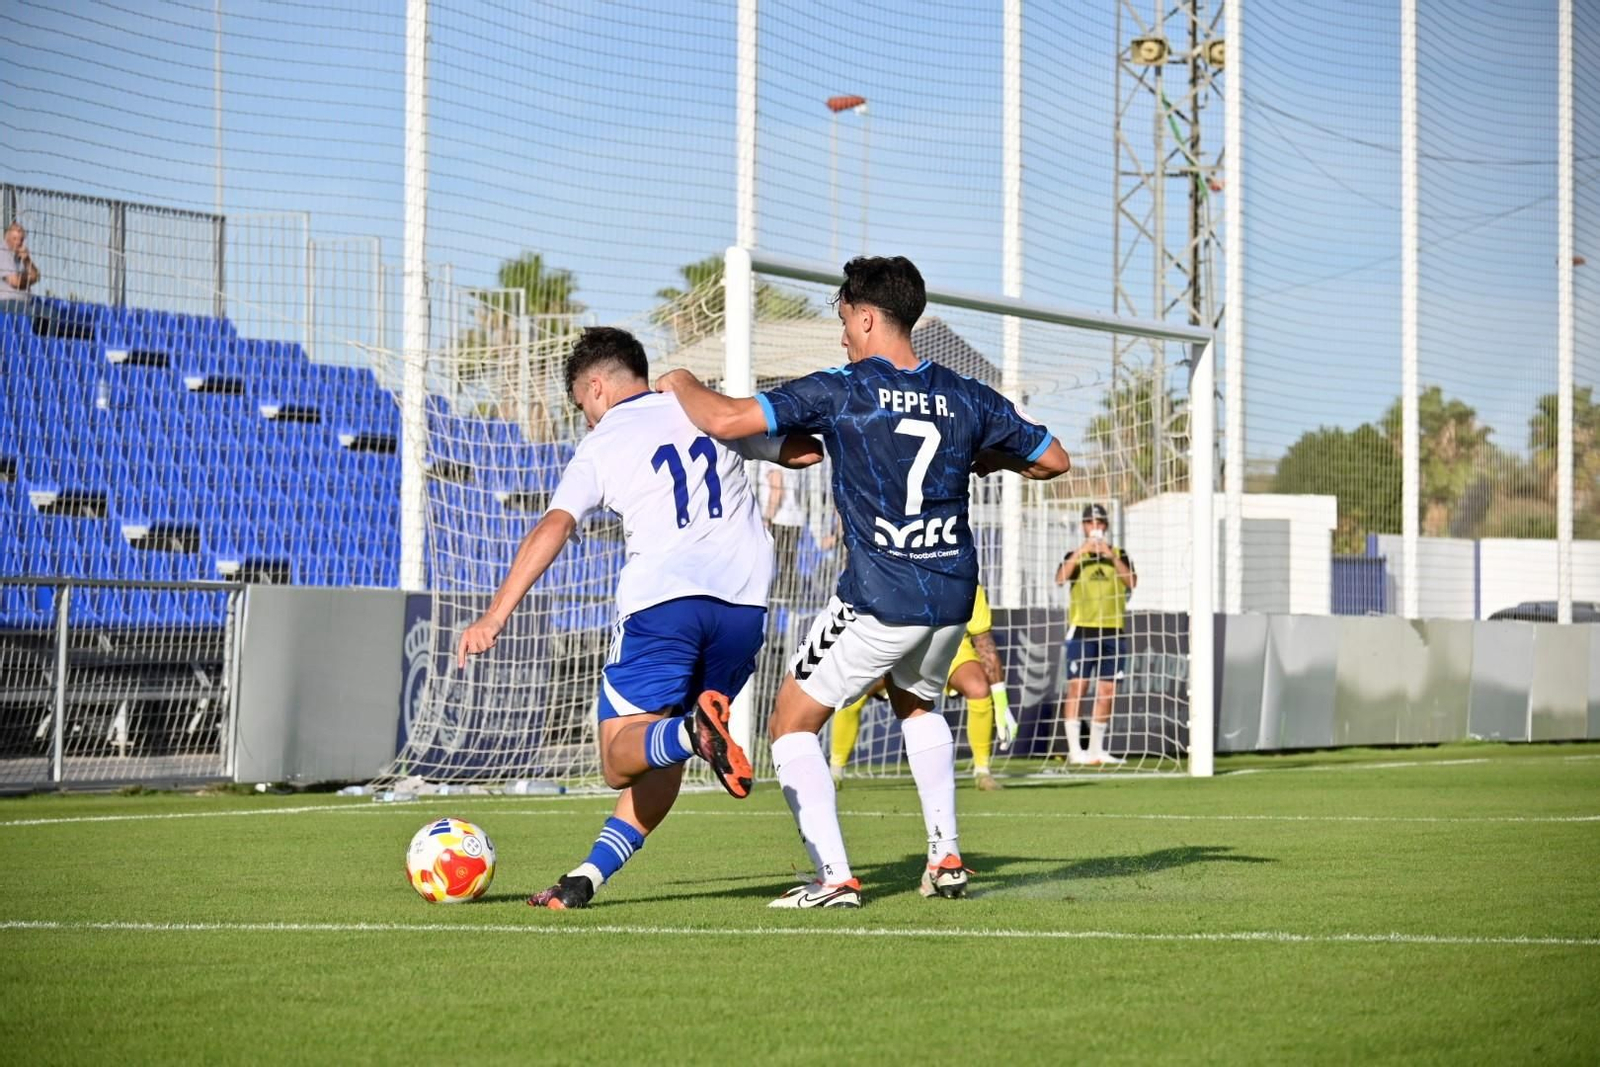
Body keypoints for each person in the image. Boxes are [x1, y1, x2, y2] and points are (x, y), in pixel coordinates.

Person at [657, 255, 1069, 907]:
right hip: (953, 592)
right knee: (917, 705)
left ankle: (834, 877)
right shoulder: (966, 394)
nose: (843, 334)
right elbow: (1053, 458)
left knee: (789, 725)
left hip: (882, 594)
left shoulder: (846, 387)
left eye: (846, 319)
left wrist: (679, 379)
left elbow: (727, 419)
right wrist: (984, 459)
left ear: (869, 316)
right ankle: (946, 856)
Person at [456, 326, 821, 910]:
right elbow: (805, 451)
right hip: (745, 607)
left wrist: (496, 615)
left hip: (665, 601)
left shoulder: (604, 442)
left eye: (582, 407)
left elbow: (556, 524)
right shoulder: (703, 407)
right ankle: (586, 878)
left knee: (617, 756)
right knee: (666, 752)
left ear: (596, 387)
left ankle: (690, 732)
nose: (586, 420)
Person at [830, 582, 1016, 790]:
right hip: (902, 651)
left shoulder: (969, 584)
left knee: (979, 688)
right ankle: (835, 771)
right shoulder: (902, 577)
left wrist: (1001, 701)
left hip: (951, 653)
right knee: (853, 690)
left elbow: (984, 642)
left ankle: (983, 772)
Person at [1053, 502, 1138, 766]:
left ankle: (1097, 750)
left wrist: (1110, 555)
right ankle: (1075, 750)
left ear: (1106, 526)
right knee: (1078, 687)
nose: (1095, 528)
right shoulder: (1075, 554)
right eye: (1090, 523)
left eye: (1100, 523)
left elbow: (1132, 582)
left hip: (1113, 629)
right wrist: (1082, 551)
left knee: (1107, 690)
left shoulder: (1120, 554)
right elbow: (1060, 578)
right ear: (1083, 526)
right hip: (1082, 629)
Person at [759, 461, 806, 602]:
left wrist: (767, 517)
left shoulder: (770, 461)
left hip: (779, 520)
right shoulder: (793, 458)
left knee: (781, 564)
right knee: (788, 564)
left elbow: (777, 489)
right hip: (795, 518)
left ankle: (780, 599)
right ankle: (791, 598)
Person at [1, 223, 40, 309]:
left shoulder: (20, 255)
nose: (18, 243)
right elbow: (15, 282)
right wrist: (29, 278)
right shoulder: (3, 251)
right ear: (6, 238)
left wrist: (27, 260)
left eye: (21, 240)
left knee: (52, 314)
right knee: (38, 314)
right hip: (7, 303)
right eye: (14, 239)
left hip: (24, 303)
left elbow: (36, 276)